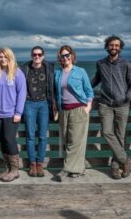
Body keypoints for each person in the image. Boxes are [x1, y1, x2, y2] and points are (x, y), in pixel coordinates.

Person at [91, 35, 131, 179]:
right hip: (105, 104)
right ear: (107, 46)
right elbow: (96, 80)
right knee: (106, 132)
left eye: (117, 45)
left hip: (122, 105)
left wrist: (126, 98)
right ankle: (126, 160)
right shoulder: (101, 63)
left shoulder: (126, 64)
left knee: (120, 136)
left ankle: (116, 166)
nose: (114, 47)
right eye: (111, 45)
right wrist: (82, 91)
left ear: (120, 47)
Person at [54, 45, 94, 182]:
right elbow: (55, 92)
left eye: (67, 55)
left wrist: (88, 106)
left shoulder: (80, 71)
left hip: (78, 109)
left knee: (75, 141)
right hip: (64, 110)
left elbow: (89, 91)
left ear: (72, 56)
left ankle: (65, 170)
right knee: (67, 139)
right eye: (62, 56)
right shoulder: (57, 73)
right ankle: (79, 167)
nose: (65, 58)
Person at [0, 47, 26, 182]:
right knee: (2, 140)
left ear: (10, 58)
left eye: (5, 57)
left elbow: (22, 94)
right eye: (0, 56)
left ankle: (15, 170)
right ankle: (8, 168)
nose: (2, 59)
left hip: (11, 114)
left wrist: (18, 112)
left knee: (10, 140)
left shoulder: (17, 73)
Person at [20, 46, 55, 177]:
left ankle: (40, 164)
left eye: (39, 55)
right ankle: (32, 164)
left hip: (44, 104)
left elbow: (55, 85)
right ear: (31, 56)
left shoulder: (49, 68)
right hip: (29, 103)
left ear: (43, 56)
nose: (37, 57)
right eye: (34, 54)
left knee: (42, 136)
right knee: (30, 136)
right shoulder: (25, 68)